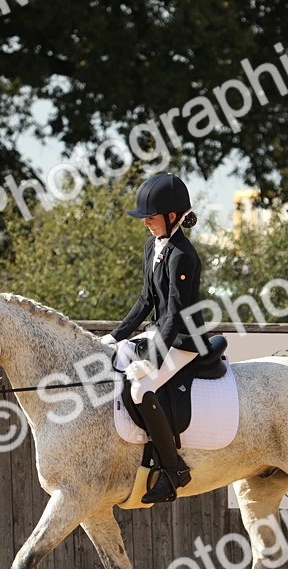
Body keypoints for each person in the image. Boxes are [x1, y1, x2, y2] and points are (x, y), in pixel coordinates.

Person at [101, 172, 209, 504]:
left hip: (185, 341)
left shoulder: (183, 254)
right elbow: (145, 300)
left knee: (141, 387)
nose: (146, 222)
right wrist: (113, 337)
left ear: (172, 216)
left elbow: (175, 313)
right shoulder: (153, 245)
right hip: (159, 334)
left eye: (151, 216)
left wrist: (151, 362)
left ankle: (174, 470)